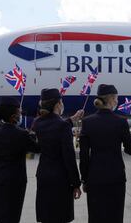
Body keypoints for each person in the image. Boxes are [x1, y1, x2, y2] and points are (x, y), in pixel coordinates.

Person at [80, 84, 131, 223]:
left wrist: (84, 179)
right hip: (115, 178)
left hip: (94, 178)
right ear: (112, 99)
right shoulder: (120, 122)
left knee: (96, 217)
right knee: (114, 216)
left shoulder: (87, 122)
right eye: (117, 98)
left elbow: (84, 156)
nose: (117, 101)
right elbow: (130, 149)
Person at [33, 88, 83, 223]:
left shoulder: (37, 123)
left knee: (47, 215)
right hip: (60, 179)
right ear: (57, 104)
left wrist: (71, 119)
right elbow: (69, 157)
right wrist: (76, 183)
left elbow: (52, 127)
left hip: (43, 176)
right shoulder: (62, 126)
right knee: (60, 216)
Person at [0, 97, 40, 223]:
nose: (21, 115)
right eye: (19, 112)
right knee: (13, 215)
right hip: (16, 180)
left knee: (0, 215)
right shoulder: (22, 134)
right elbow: (37, 148)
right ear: (13, 116)